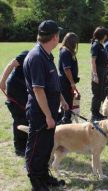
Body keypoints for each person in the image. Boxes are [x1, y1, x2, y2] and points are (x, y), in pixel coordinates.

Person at [23, 20, 68, 190]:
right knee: (36, 148)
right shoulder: (36, 57)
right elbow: (38, 90)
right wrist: (48, 116)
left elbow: (52, 83)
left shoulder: (46, 55)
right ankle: (36, 182)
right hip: (40, 112)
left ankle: (43, 176)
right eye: (59, 35)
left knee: (46, 146)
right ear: (55, 37)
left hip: (49, 109)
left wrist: (62, 98)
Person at [0, 51, 29, 157]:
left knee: (27, 115)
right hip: (15, 87)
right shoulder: (26, 54)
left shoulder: (44, 58)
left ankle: (26, 144)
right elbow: (11, 64)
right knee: (20, 116)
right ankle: (19, 148)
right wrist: (2, 81)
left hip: (25, 89)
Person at [58, 32, 80, 124]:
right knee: (67, 102)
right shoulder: (65, 52)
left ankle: (66, 119)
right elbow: (66, 69)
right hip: (65, 82)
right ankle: (65, 120)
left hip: (67, 82)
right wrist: (72, 82)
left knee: (69, 101)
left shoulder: (68, 51)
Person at [90, 27, 108, 121]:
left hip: (103, 72)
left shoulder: (101, 45)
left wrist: (105, 74)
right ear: (102, 35)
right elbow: (93, 61)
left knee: (101, 93)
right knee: (97, 94)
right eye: (105, 35)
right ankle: (94, 114)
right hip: (97, 72)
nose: (106, 36)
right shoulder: (95, 45)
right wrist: (95, 75)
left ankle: (98, 113)